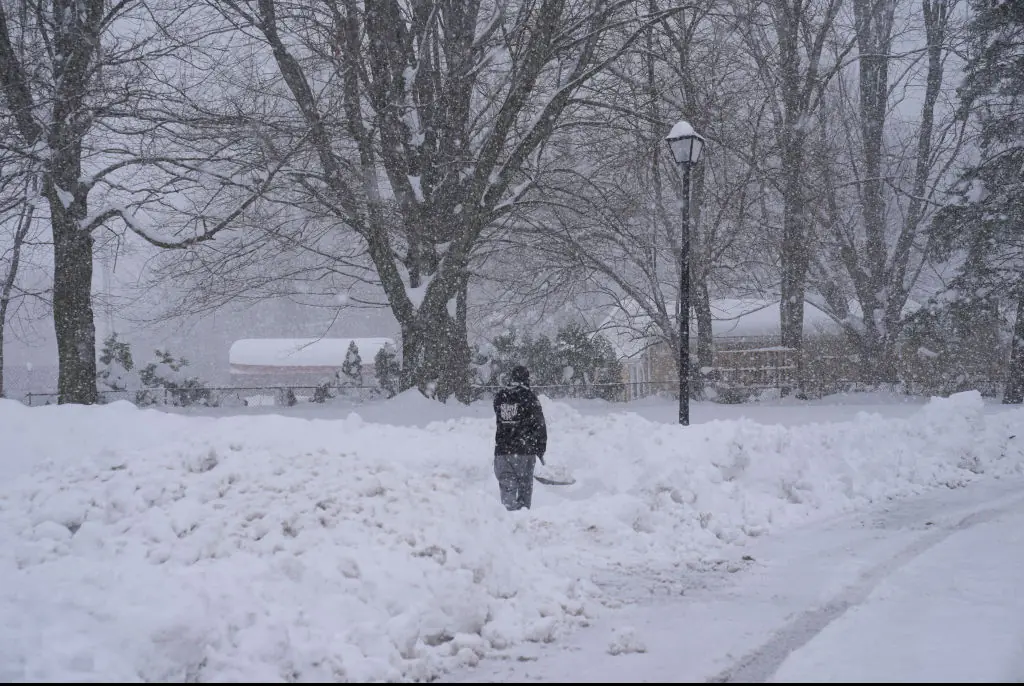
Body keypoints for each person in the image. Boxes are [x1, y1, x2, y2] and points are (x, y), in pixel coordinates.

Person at [492, 364, 548, 511]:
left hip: (502, 452)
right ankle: (522, 520)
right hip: (524, 452)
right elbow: (539, 424)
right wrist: (540, 448)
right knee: (524, 488)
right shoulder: (529, 397)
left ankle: (508, 521)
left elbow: (498, 411)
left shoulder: (500, 397)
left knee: (507, 488)